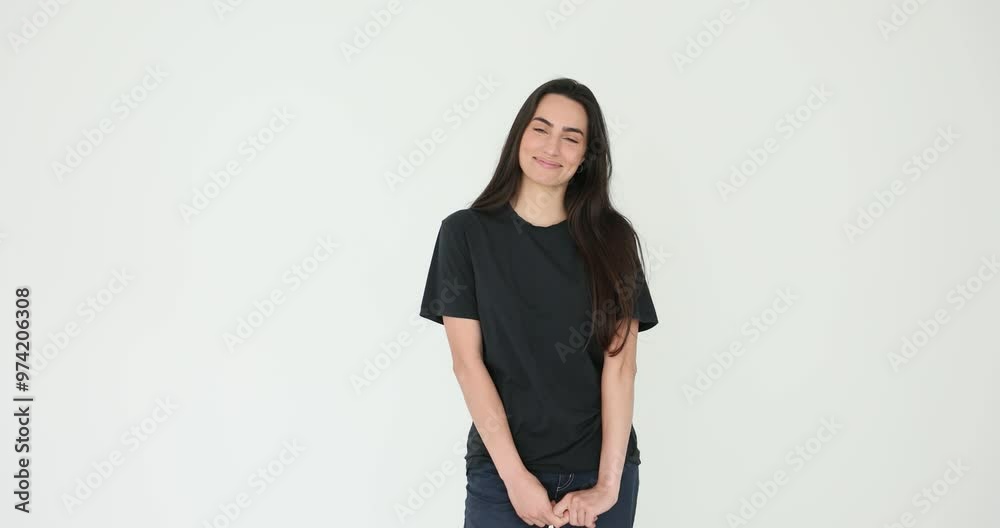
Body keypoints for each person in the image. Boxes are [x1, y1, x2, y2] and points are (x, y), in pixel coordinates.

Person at [419, 77, 658, 528]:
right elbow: (468, 364)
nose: (552, 147)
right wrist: (515, 480)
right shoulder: (465, 234)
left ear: (587, 156)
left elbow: (621, 366)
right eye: (541, 129)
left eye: (571, 138)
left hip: (599, 471)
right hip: (501, 473)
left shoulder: (614, 239)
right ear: (520, 135)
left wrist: (607, 486)